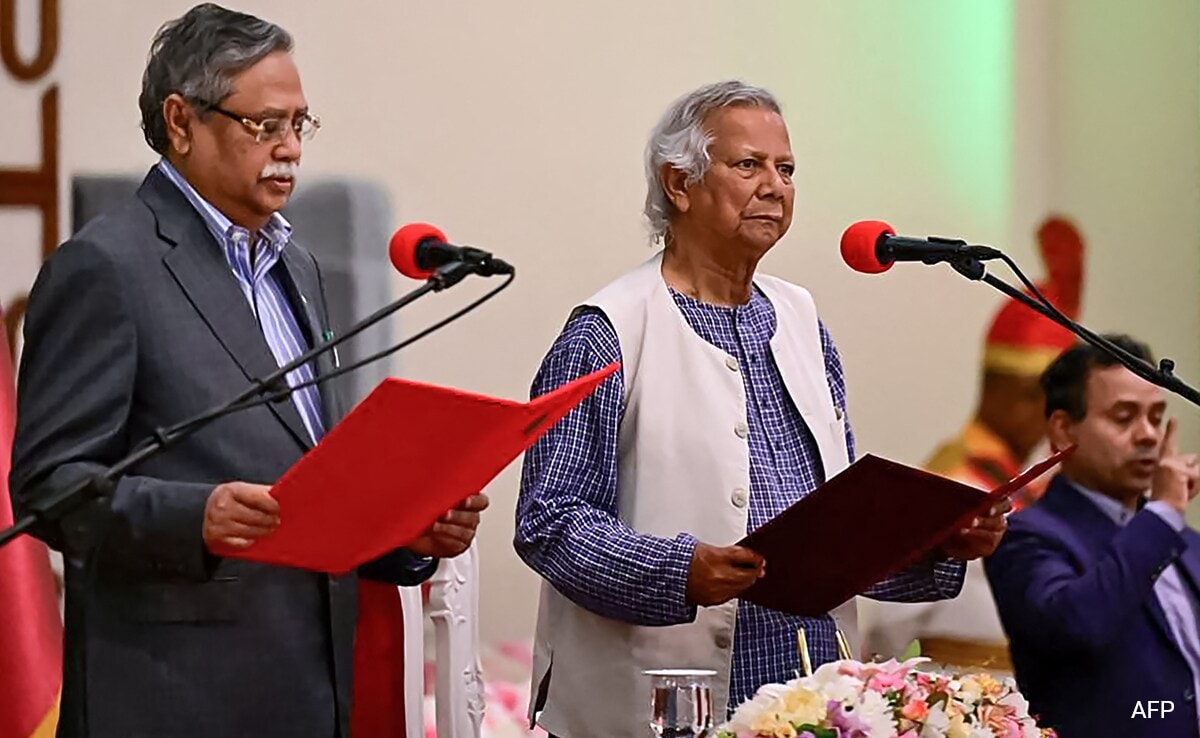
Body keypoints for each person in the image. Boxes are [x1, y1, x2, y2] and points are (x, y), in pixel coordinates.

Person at [8, 5, 487, 737]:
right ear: (181, 121)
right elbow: (49, 487)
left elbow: (299, 481)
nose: (291, 148)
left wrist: (402, 534)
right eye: (265, 125)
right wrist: (193, 518)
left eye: (300, 124)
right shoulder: (106, 268)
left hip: (306, 688)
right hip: (174, 698)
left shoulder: (296, 266)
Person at [514, 80, 1009, 738]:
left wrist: (941, 547)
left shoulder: (803, 320)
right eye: (748, 165)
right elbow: (550, 523)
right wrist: (679, 571)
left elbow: (840, 536)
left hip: (811, 702)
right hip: (662, 707)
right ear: (679, 184)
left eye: (787, 168)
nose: (774, 185)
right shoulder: (609, 331)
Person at [861, 217, 1085, 669]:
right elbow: (890, 623)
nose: (1049, 422)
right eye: (1044, 401)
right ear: (1013, 394)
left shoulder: (1031, 486)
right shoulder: (957, 481)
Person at [985, 335, 1200, 738]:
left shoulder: (1184, 542)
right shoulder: (1028, 536)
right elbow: (1075, 624)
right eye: (1124, 417)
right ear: (1064, 431)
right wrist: (1163, 513)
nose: (1148, 436)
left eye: (1155, 417)